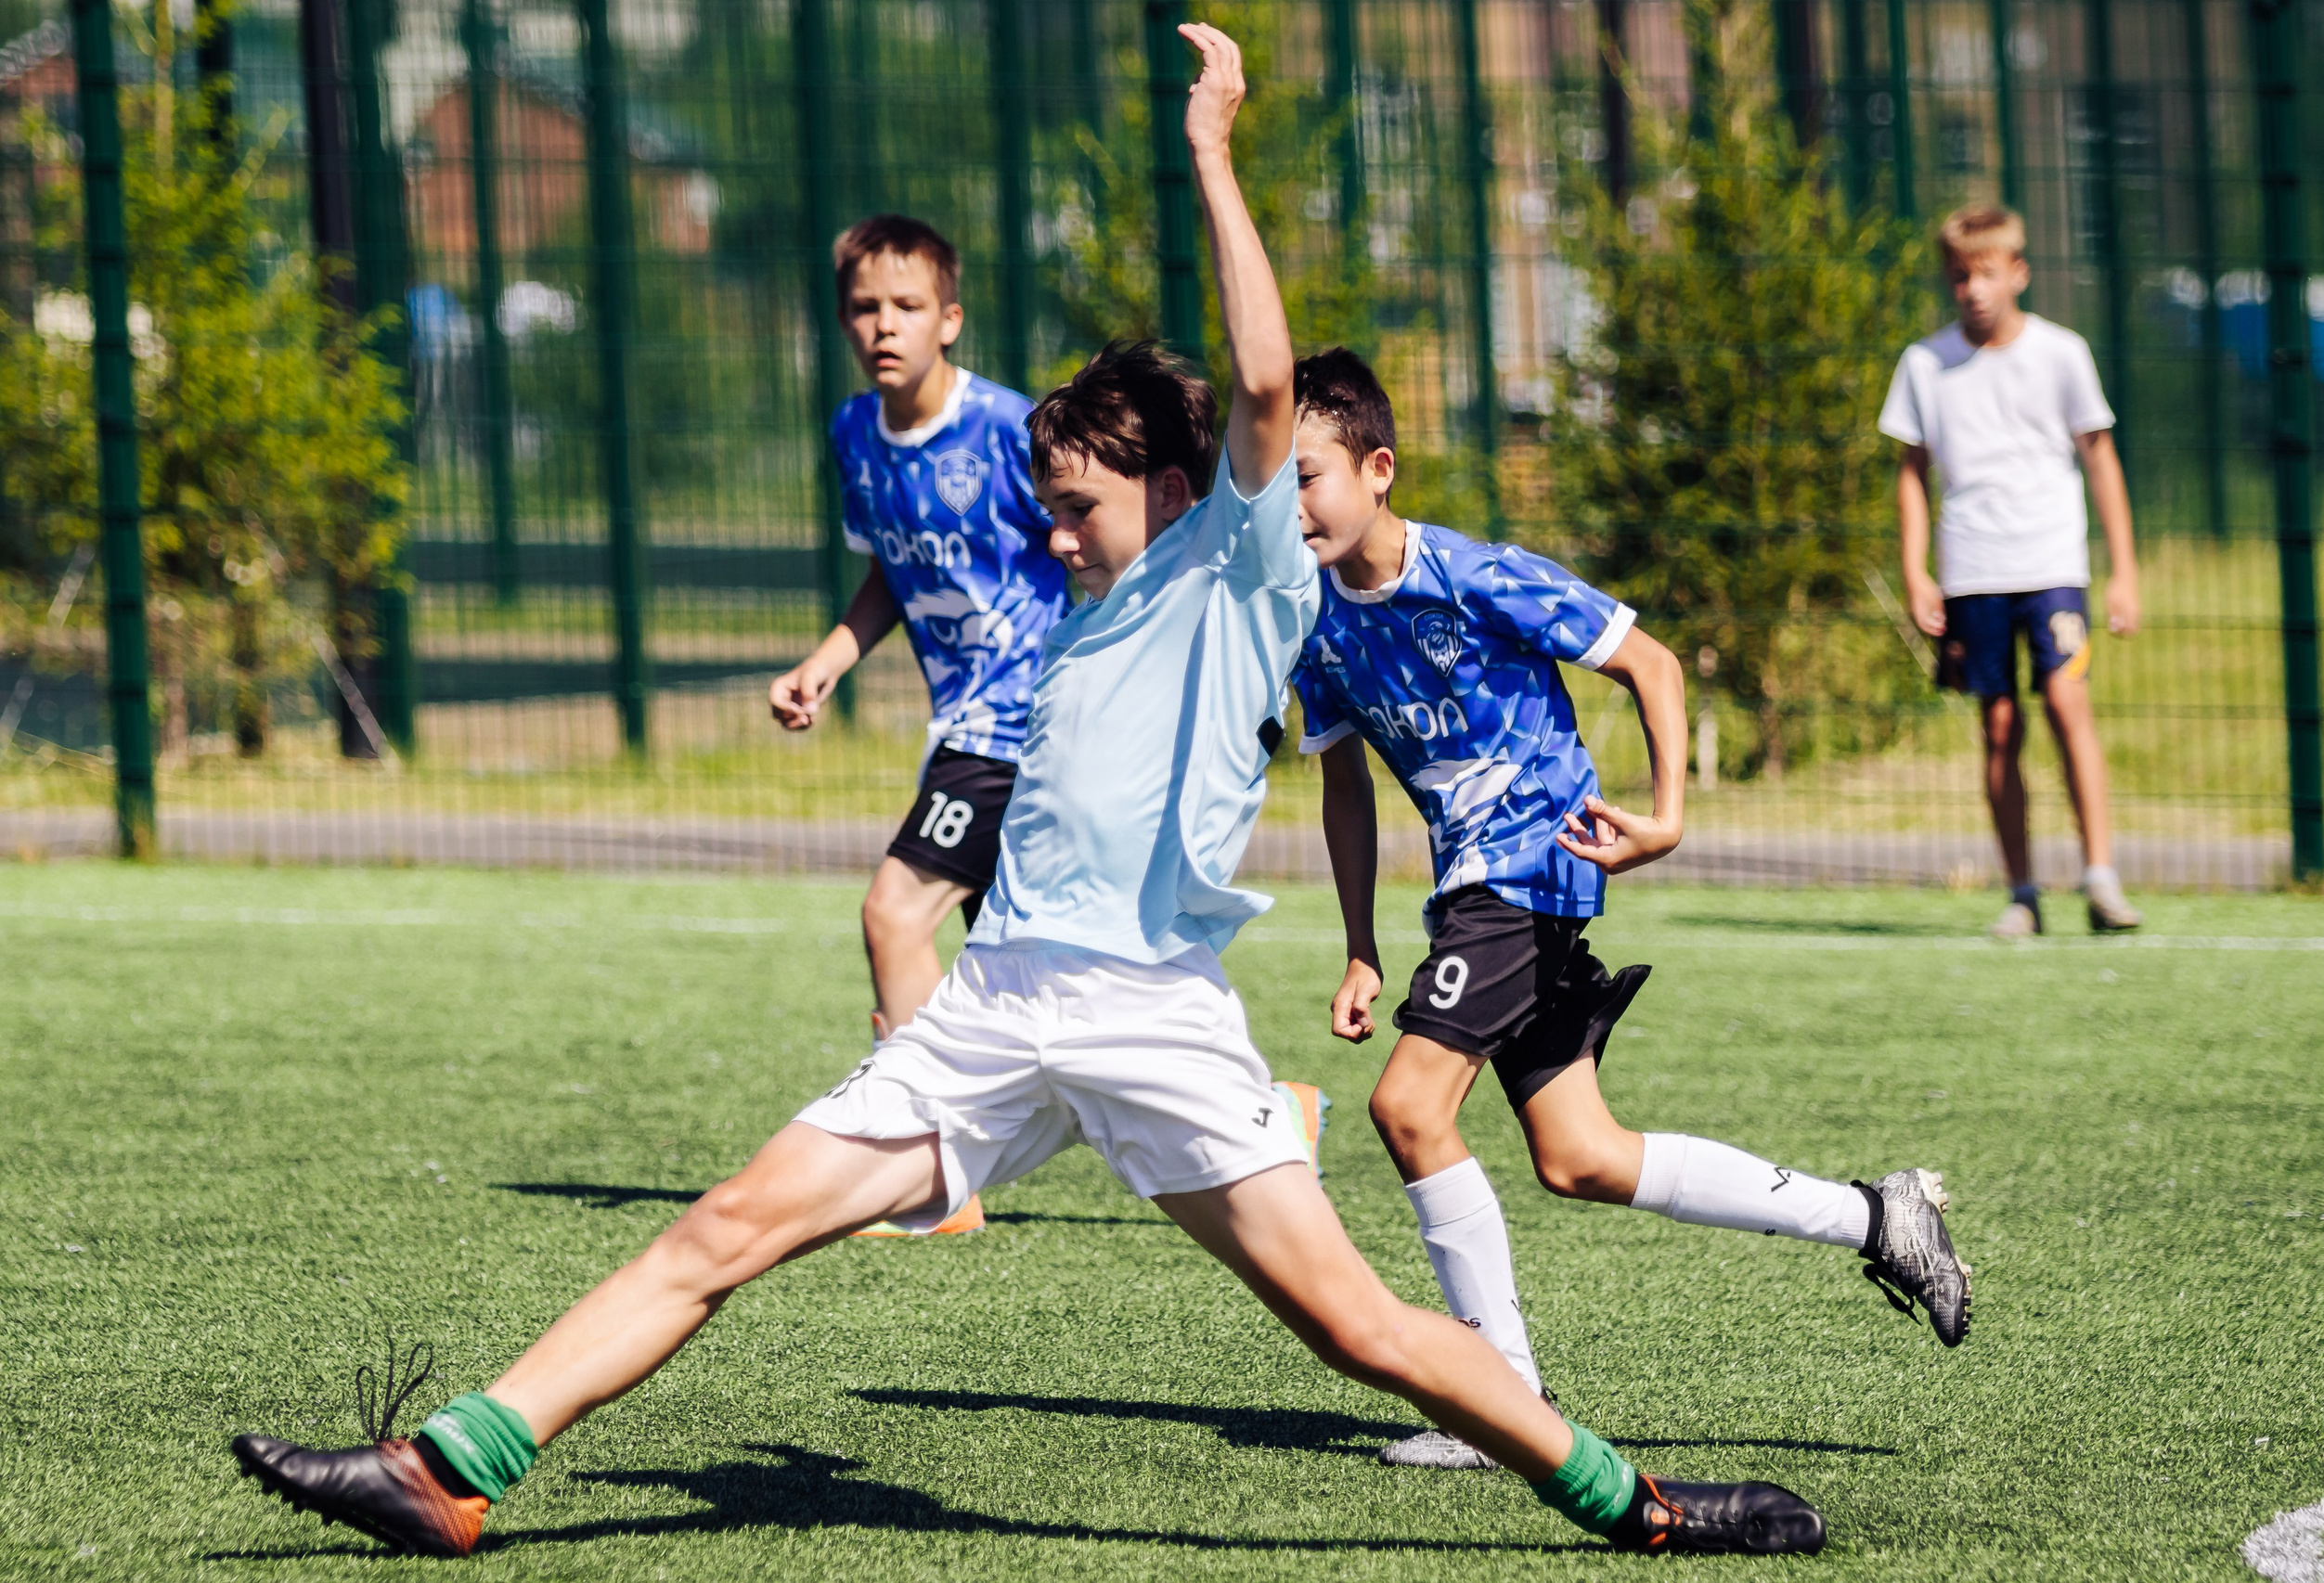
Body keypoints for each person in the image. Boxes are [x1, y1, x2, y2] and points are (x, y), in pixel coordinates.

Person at [227, 28, 1823, 1561]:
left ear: (1181, 499)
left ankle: (1638, 1501)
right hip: (994, 1010)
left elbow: (1263, 378)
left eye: (1074, 509)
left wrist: (1212, 150)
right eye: (1046, 509)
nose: (1050, 537)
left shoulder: (1237, 568)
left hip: (1147, 1018)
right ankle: (453, 1470)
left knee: (1366, 1333)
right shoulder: (1089, 617)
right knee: (728, 1225)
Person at [1289, 348, 1971, 1473]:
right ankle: (1878, 1215)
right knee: (1581, 1154)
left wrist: (1665, 816)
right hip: (1472, 891)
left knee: (1409, 1109)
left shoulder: (1474, 574)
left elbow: (1648, 662)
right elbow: (1344, 779)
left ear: (1377, 468)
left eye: (1306, 475)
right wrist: (1359, 946)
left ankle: (1498, 1391)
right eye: (1272, 480)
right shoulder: (1314, 619)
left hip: (1525, 870)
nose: (1289, 502)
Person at [768, 213, 1071, 1042]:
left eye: (907, 304)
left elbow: (1098, 545)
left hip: (1019, 727)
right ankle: (1265, 1106)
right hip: (964, 730)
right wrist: (826, 663)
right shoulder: (854, 434)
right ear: (844, 323)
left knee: (894, 914)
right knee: (1034, 995)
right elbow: (889, 575)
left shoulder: (1011, 430)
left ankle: (933, 1154)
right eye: (866, 307)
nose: (885, 324)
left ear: (950, 319)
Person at [1882, 202, 2144, 937]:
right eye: (1960, 275)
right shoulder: (1924, 364)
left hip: (2052, 561)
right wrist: (1916, 571)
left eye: (1987, 273)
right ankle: (2022, 892)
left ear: (2018, 273)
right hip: (1972, 572)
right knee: (1998, 727)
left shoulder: (2062, 353)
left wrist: (2123, 572)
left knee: (2068, 703)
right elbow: (1911, 472)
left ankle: (2100, 877)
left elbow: (2101, 458)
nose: (1973, 289)